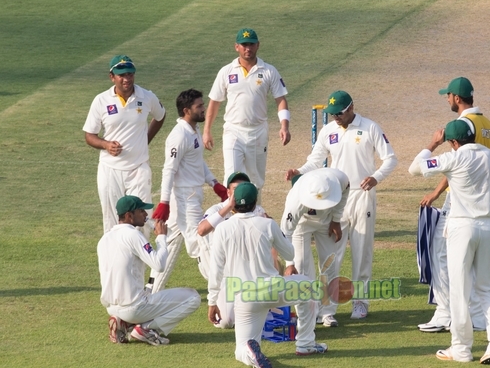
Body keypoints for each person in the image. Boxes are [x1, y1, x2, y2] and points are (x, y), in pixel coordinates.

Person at [285, 90, 397, 319]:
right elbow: (315, 161)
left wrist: (376, 177)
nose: (335, 117)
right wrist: (299, 171)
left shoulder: (370, 127)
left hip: (362, 194)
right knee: (332, 255)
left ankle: (360, 301)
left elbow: (390, 159)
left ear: (351, 108)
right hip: (335, 198)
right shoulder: (328, 131)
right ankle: (325, 307)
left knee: (362, 249)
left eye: (339, 113)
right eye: (332, 113)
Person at [409, 120, 490, 364]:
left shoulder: (453, 158)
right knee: (488, 288)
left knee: (459, 290)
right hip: (488, 226)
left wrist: (433, 143)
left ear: (453, 142)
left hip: (461, 228)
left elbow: (415, 168)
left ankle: (461, 349)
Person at [208, 182, 327, 368]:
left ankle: (249, 352)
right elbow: (289, 254)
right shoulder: (267, 224)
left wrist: (212, 301)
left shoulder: (223, 229)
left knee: (240, 350)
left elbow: (215, 270)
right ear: (256, 202)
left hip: (245, 298)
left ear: (233, 203)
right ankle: (305, 343)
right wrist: (273, 233)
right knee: (308, 287)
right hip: (275, 291)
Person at [416, 77, 490, 333]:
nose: (447, 99)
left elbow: (459, 162)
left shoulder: (463, 124)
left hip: (462, 200)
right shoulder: (488, 124)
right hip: (485, 198)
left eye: (448, 96)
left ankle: (446, 312)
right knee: (475, 262)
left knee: (442, 255)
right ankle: (475, 315)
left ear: (456, 97)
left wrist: (436, 191)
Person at [148, 89, 228, 290]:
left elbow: (196, 162)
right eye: (199, 106)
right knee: (201, 243)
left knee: (170, 243)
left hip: (191, 196)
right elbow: (169, 170)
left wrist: (214, 183)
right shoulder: (178, 136)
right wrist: (164, 202)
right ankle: (221, 291)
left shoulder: (193, 130)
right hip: (184, 198)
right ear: (186, 110)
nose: (203, 109)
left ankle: (150, 292)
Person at [98, 195, 200, 346]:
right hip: (134, 307)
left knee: (148, 295)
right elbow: (159, 265)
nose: (146, 215)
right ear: (129, 216)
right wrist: (161, 237)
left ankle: (124, 323)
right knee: (193, 298)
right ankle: (146, 328)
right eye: (141, 211)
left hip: (112, 307)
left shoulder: (104, 239)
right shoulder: (133, 235)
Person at [83, 55, 166, 234]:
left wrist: (145, 139)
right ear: (112, 76)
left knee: (142, 219)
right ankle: (114, 261)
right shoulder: (101, 100)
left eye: (130, 74)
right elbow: (89, 135)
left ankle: (141, 260)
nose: (127, 78)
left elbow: (160, 116)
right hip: (110, 170)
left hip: (138, 169)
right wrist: (105, 145)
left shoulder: (147, 96)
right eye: (121, 75)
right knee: (112, 221)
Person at [202, 28, 290, 193]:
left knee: (255, 181)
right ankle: (231, 217)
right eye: (244, 45)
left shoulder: (269, 71)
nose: (247, 48)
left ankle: (255, 214)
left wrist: (284, 126)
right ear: (237, 47)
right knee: (232, 178)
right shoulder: (226, 72)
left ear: (258, 45)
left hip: (258, 131)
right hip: (233, 130)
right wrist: (207, 131)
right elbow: (214, 103)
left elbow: (281, 100)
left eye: (251, 44)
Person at [194, 171, 270, 328]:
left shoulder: (256, 210)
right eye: (235, 189)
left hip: (246, 271)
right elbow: (201, 230)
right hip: (221, 275)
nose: (239, 193)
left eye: (244, 188)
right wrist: (228, 207)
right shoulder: (216, 209)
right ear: (228, 192)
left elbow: (272, 233)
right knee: (226, 321)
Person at [280, 168, 350, 327]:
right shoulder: (295, 201)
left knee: (330, 264)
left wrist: (336, 219)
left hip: (326, 221)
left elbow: (345, 194)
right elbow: (286, 233)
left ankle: (327, 312)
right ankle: (307, 315)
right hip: (301, 224)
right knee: (302, 268)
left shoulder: (341, 179)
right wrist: (289, 264)